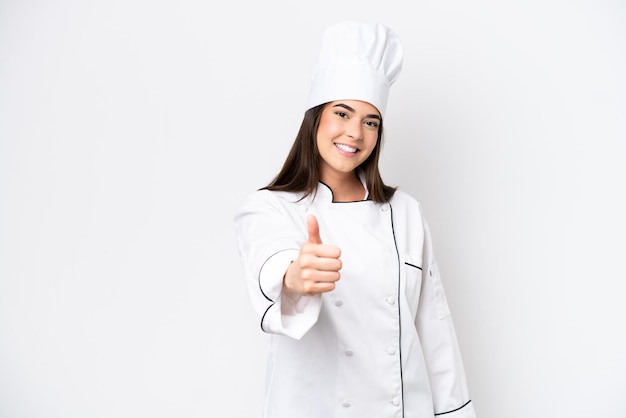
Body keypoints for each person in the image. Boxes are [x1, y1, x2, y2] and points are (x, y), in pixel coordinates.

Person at [233, 20, 476, 418]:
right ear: (316, 117)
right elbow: (272, 265)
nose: (355, 133)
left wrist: (455, 413)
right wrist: (295, 277)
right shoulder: (269, 208)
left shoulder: (405, 212)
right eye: (342, 113)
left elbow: (433, 326)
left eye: (370, 121)